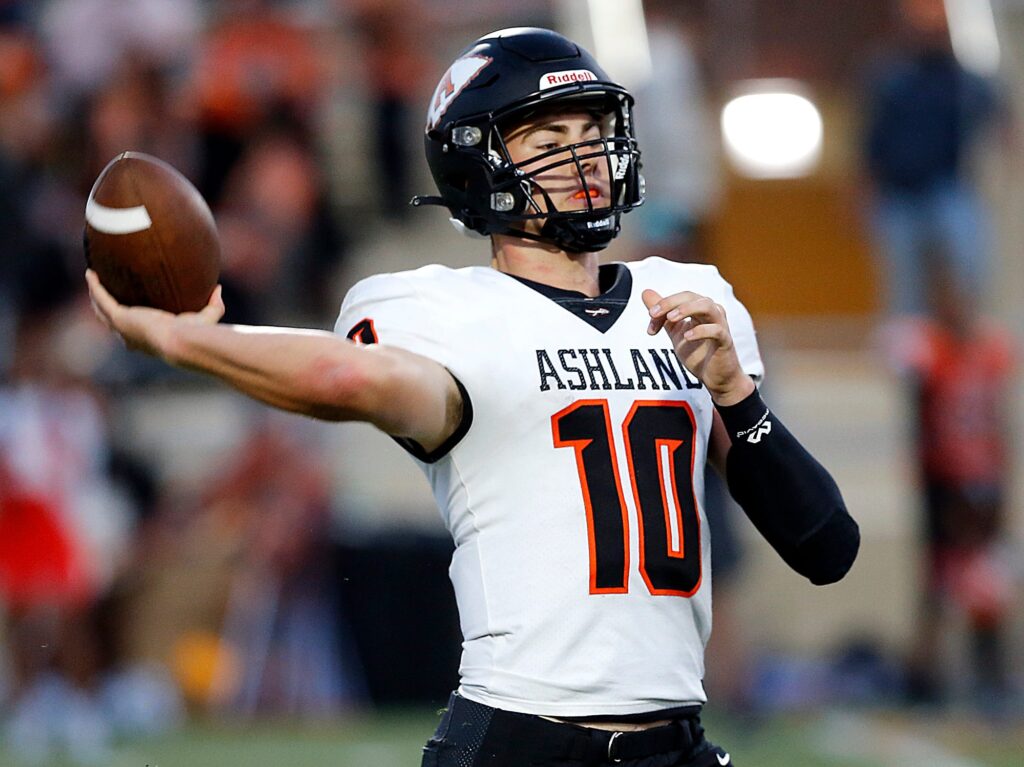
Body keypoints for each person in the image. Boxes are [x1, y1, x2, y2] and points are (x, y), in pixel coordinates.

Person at [86, 27, 859, 767]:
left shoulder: (685, 296)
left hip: (673, 741)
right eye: (549, 142)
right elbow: (348, 378)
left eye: (592, 129)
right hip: (522, 739)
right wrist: (183, 339)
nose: (585, 156)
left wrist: (735, 396)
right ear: (477, 166)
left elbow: (826, 547)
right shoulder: (445, 313)